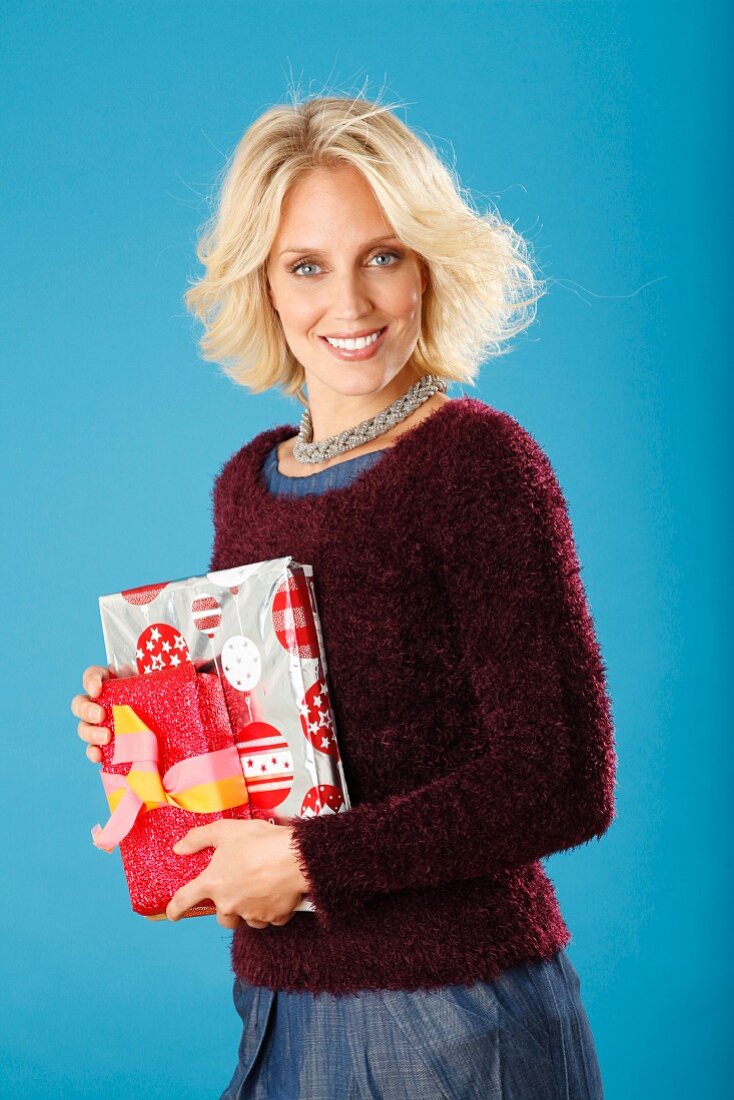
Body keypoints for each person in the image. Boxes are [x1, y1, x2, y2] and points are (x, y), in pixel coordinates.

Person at [71, 93, 617, 1098]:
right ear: (265, 286)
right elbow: (284, 751)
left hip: (451, 1015)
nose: (352, 304)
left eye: (382, 255)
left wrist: (312, 863)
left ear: (427, 263)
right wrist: (152, 744)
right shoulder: (249, 481)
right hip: (280, 1008)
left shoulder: (478, 463)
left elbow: (561, 776)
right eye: (307, 265)